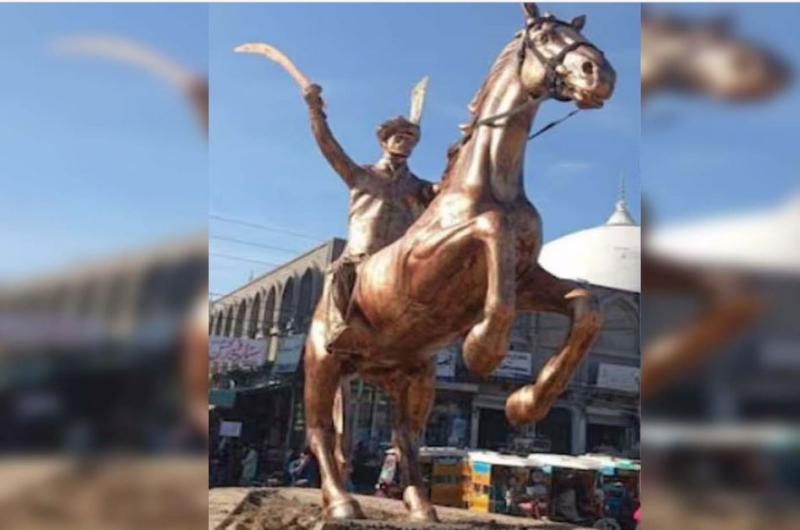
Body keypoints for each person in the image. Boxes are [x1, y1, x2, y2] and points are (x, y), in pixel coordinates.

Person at [302, 83, 437, 353]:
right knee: (337, 273)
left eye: (410, 140)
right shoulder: (361, 176)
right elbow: (328, 146)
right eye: (399, 137)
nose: (405, 143)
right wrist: (315, 110)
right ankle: (339, 329)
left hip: (400, 259)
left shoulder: (420, 187)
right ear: (384, 141)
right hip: (360, 255)